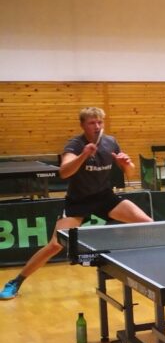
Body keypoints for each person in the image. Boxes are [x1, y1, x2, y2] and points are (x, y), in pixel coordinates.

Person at [1, 107, 153, 300]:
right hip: (79, 202)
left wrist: (126, 164)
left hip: (105, 198)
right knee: (55, 245)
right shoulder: (75, 145)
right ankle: (16, 281)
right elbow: (64, 172)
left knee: (148, 224)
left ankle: (151, 270)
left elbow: (130, 172)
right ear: (83, 125)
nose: (97, 126)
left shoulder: (110, 142)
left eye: (100, 122)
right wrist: (83, 155)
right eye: (92, 123)